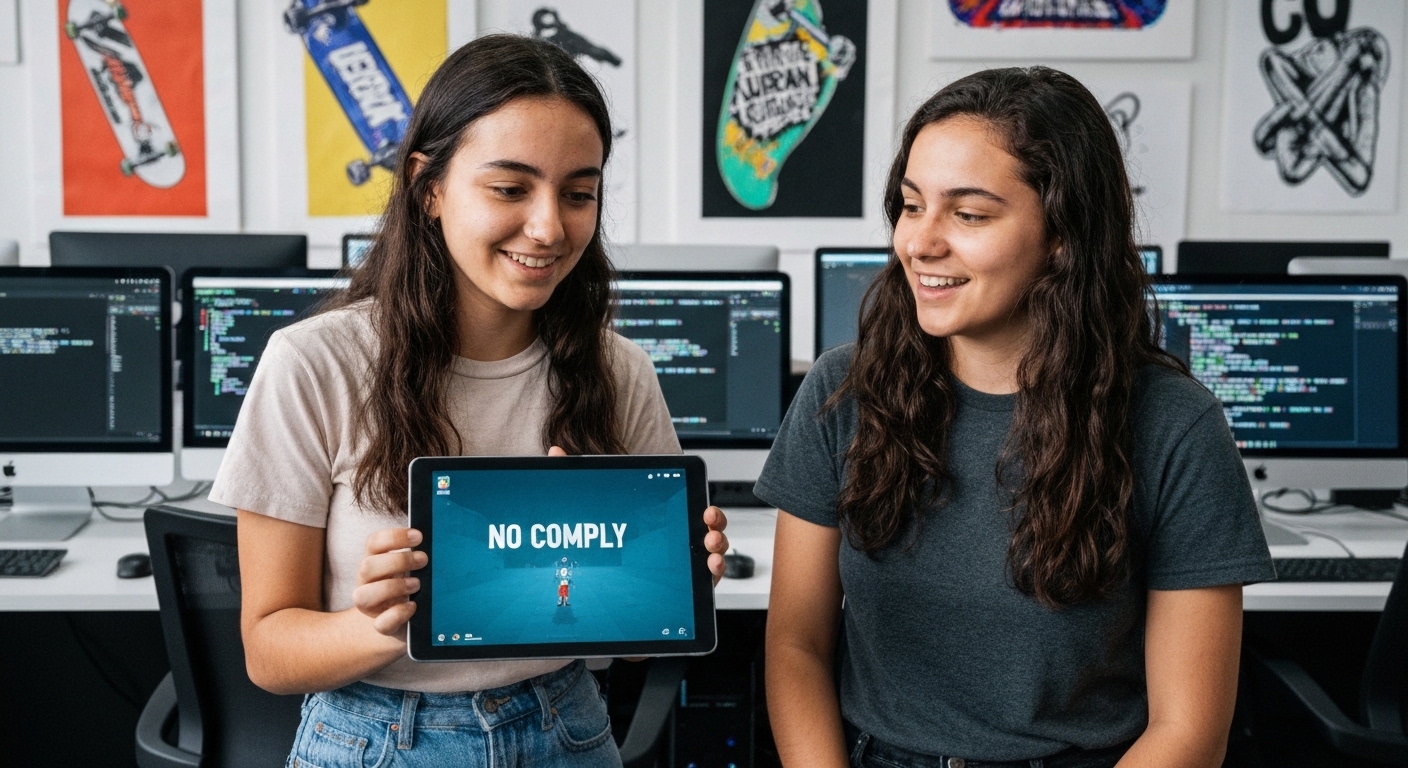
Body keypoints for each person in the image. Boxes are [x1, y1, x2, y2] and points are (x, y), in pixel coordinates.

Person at [211, 35, 730, 767]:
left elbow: (635, 651)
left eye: (579, 194)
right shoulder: (313, 364)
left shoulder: (620, 370)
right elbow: (267, 652)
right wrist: (380, 623)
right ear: (428, 186)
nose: (550, 226)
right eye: (511, 188)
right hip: (374, 738)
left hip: (567, 728)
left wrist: (669, 590)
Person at [757, 67, 1274, 768]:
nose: (921, 243)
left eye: (969, 215)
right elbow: (797, 646)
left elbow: (1189, 732)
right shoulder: (840, 391)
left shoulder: (1174, 426)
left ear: (1063, 234)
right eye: (912, 206)